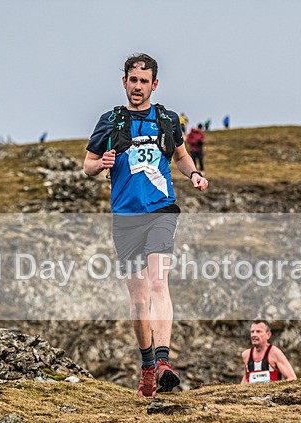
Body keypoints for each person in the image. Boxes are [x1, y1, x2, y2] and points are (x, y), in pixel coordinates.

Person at [83, 53, 208, 399]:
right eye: (133, 80)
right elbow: (87, 165)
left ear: (155, 85)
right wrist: (101, 163)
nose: (138, 87)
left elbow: (181, 156)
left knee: (158, 282)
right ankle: (148, 367)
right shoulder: (110, 121)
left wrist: (194, 174)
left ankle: (164, 361)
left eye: (144, 81)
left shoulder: (167, 119)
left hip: (161, 210)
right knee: (138, 301)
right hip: (125, 218)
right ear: (124, 82)